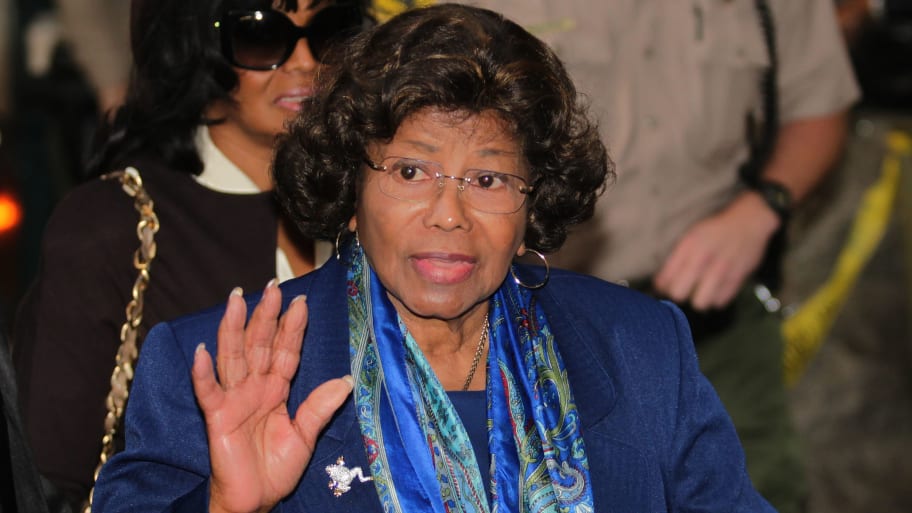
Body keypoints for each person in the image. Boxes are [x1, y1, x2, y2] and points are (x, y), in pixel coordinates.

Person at [93, 5, 776, 512]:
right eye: (411, 172)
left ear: (532, 203)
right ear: (351, 189)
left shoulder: (641, 349)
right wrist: (223, 505)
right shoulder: (213, 364)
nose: (448, 216)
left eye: (488, 180)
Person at [384, 1, 857, 511]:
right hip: (530, 316)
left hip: (714, 316)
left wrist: (761, 209)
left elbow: (820, 104)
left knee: (765, 481)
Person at [11, 0, 370, 510]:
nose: (306, 62)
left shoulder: (385, 210)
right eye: (260, 36)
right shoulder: (111, 222)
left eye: (331, 31)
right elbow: (45, 482)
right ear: (194, 47)